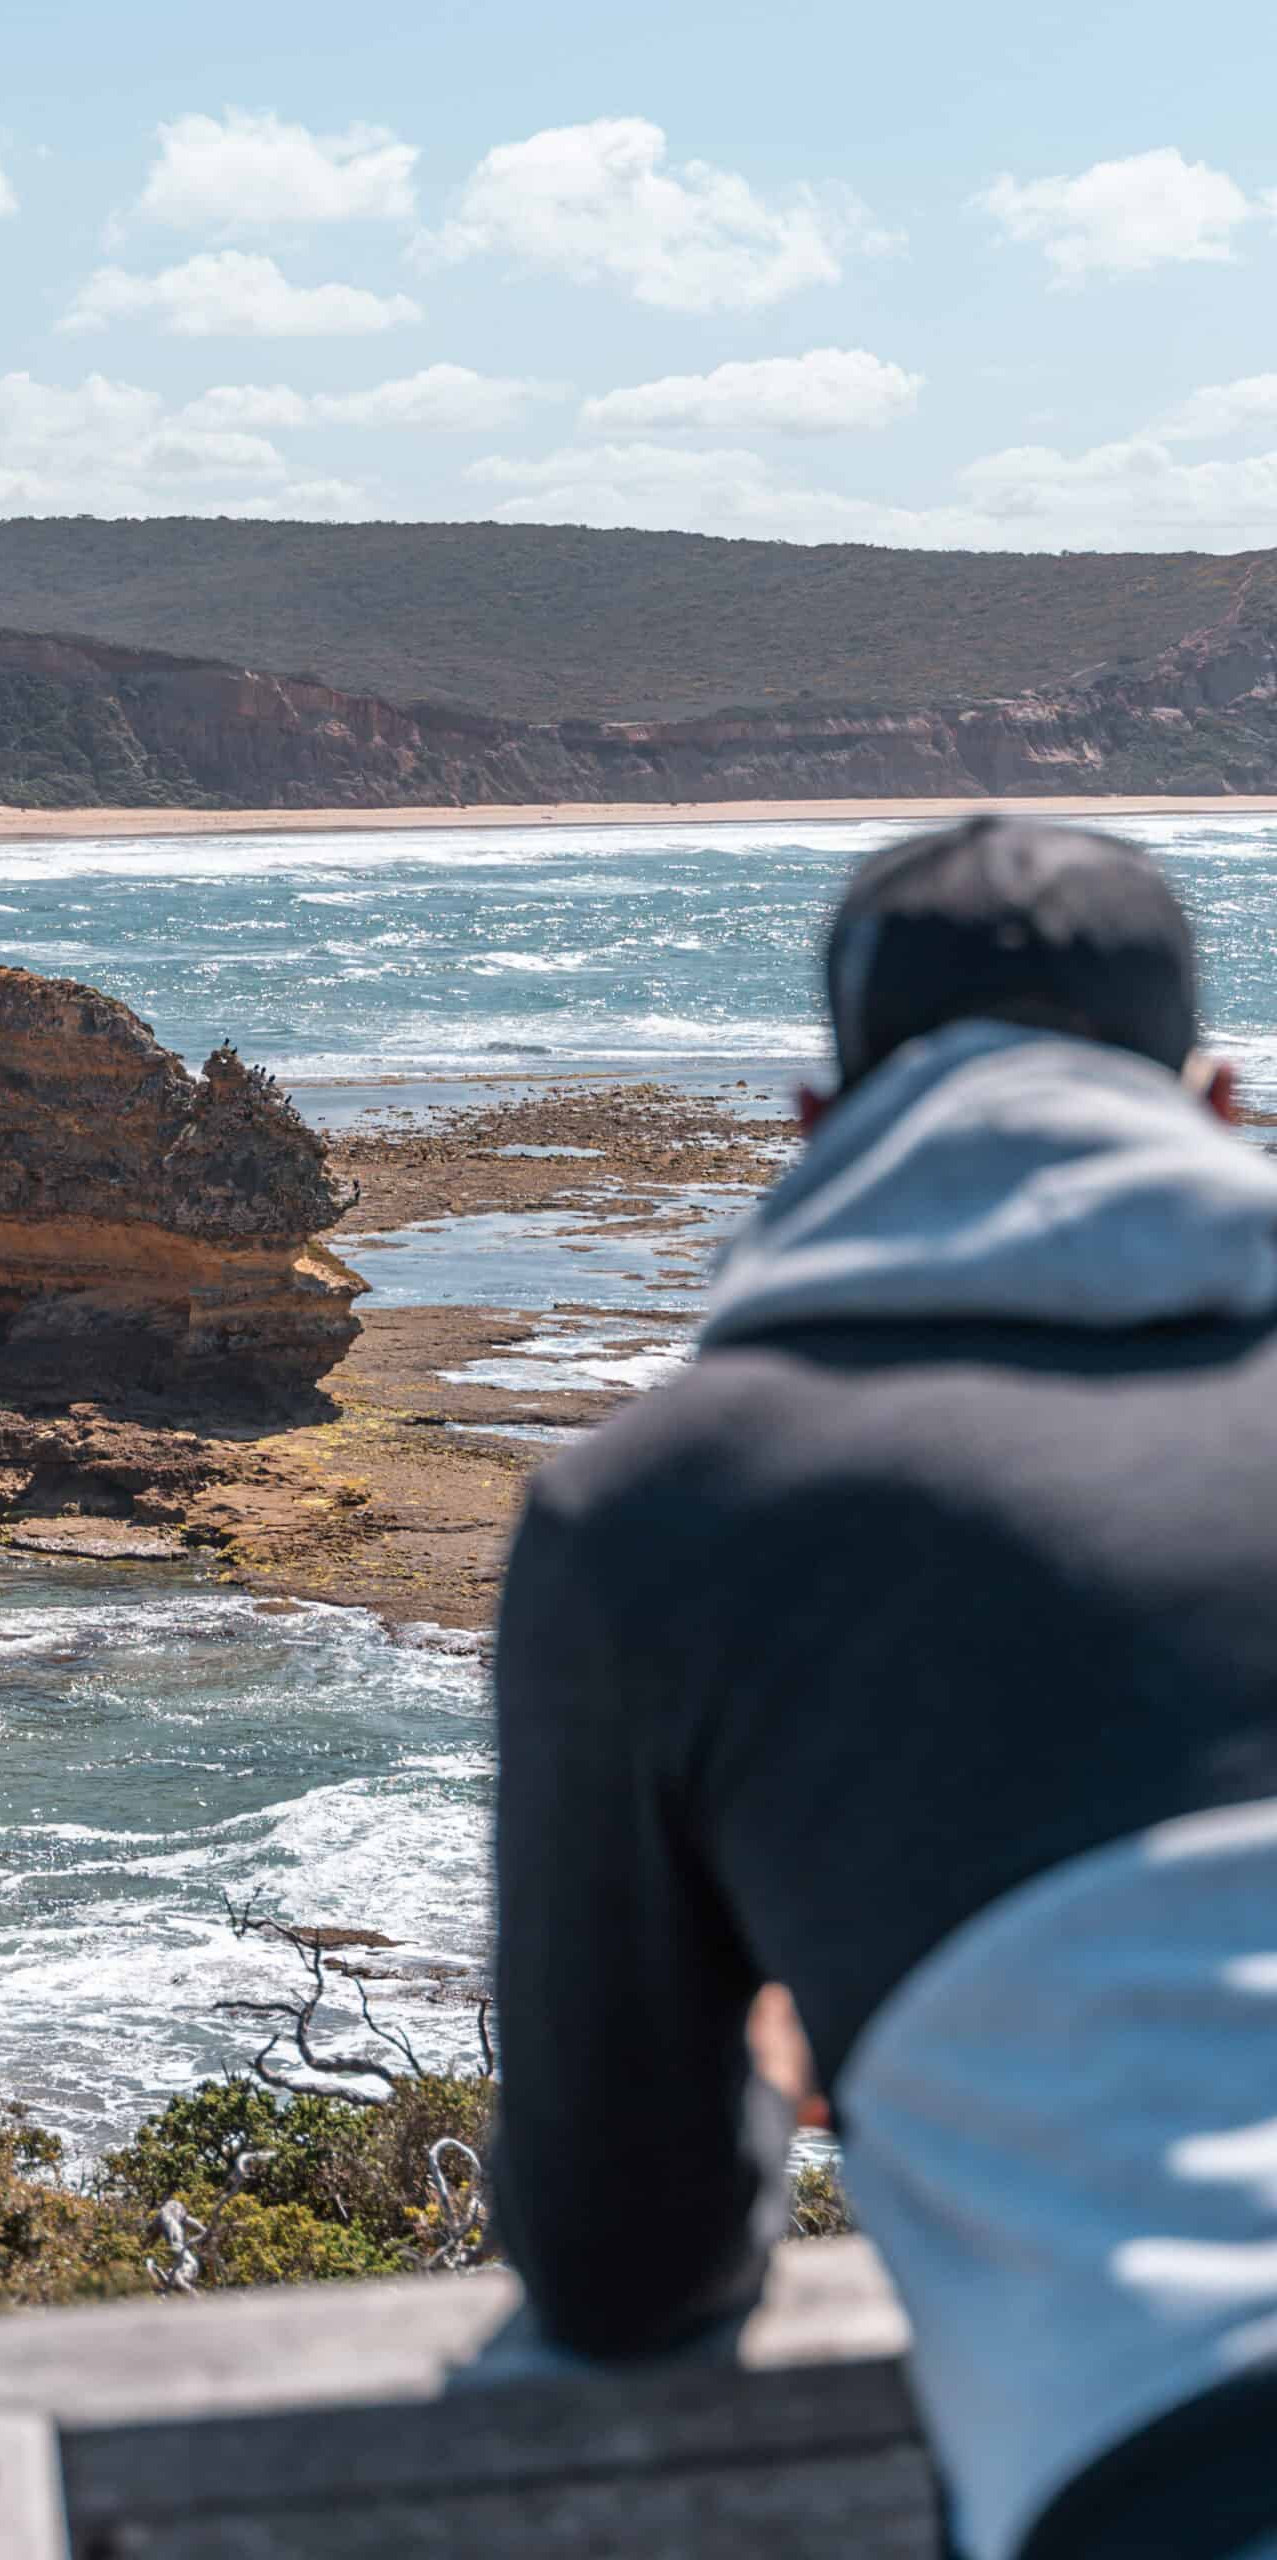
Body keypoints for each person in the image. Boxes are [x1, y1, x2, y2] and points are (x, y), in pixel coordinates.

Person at [491, 815, 1277, 2560]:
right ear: (1216, 1108)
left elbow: (625, 2265)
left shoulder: (657, 1509)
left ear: (814, 1134)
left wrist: (787, 2033)